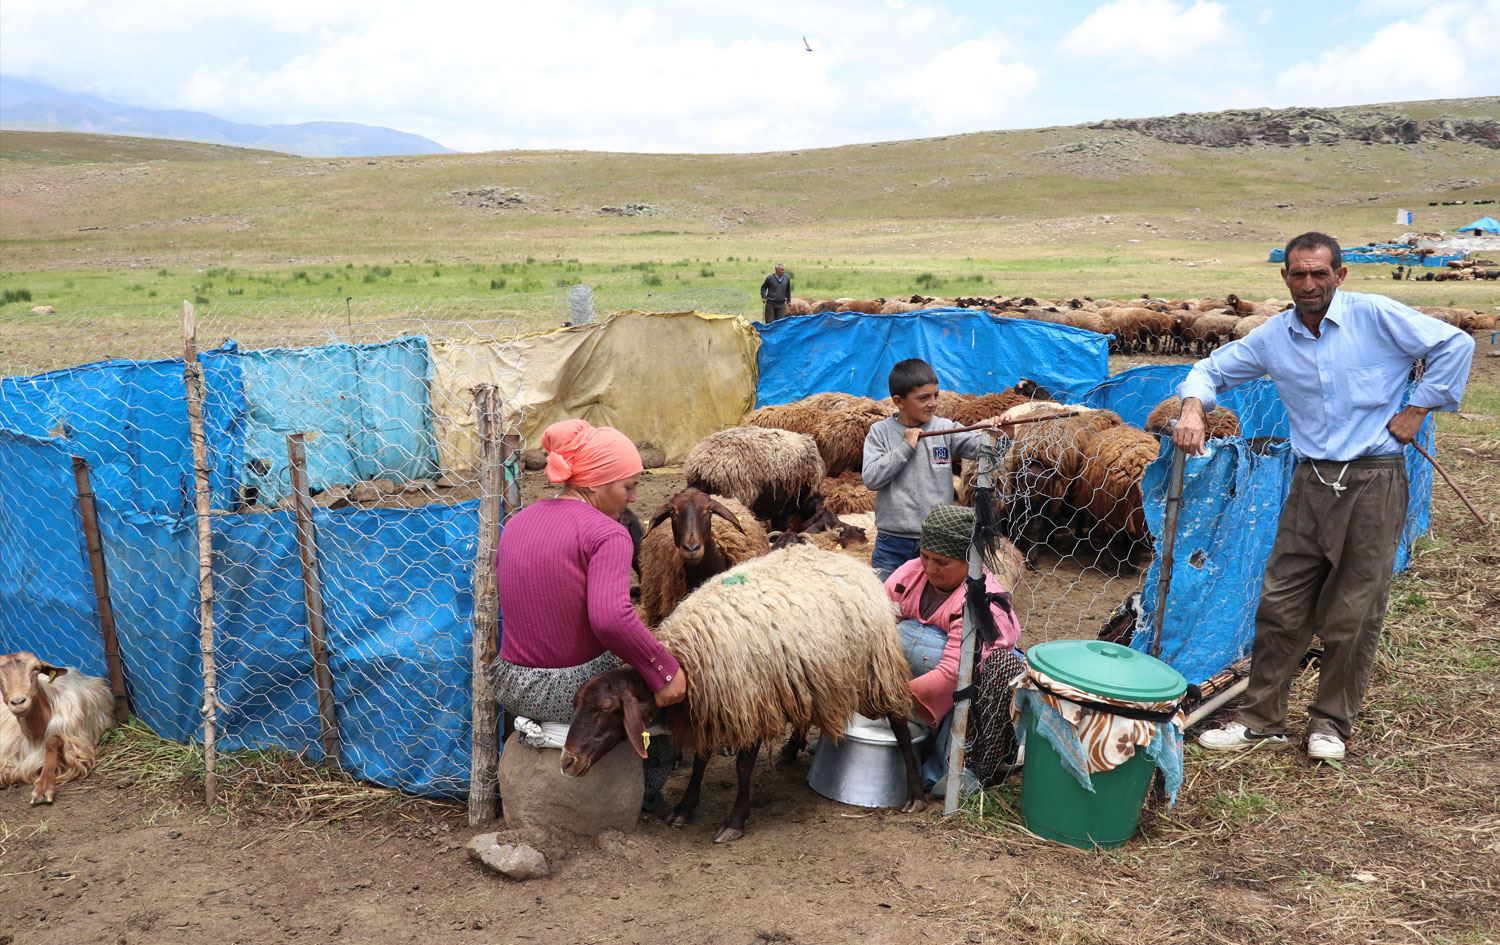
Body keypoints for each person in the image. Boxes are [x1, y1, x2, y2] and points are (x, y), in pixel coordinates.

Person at [1177, 232, 1474, 763]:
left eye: (1320, 273)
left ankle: (1330, 724)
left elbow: (1457, 344)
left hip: (1373, 478)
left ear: (1340, 274)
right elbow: (1210, 369)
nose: (1309, 283)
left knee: (1354, 609)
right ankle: (1261, 719)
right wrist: (1194, 408)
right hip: (1310, 479)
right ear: (1285, 278)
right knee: (1281, 603)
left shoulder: (1375, 315)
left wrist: (1419, 407)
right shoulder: (1273, 337)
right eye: (1299, 274)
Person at [489, 418, 687, 800]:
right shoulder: (607, 533)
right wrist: (663, 670)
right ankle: (649, 791)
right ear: (596, 482)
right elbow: (611, 617)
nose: (633, 498)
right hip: (568, 689)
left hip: (510, 682)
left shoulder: (518, 522)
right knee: (658, 690)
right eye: (628, 487)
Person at [886, 504, 1026, 796]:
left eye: (942, 561)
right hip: (913, 683)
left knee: (1001, 667)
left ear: (969, 560)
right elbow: (878, 625)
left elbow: (955, 672)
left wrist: (894, 699)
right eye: (924, 556)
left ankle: (965, 766)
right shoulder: (909, 576)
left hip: (967, 693)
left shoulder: (983, 600)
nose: (930, 568)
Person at [862, 358, 1004, 580]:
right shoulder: (880, 432)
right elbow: (871, 478)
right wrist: (906, 447)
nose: (932, 403)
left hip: (937, 540)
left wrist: (1002, 435)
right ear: (899, 401)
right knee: (888, 603)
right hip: (893, 542)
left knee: (935, 602)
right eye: (923, 398)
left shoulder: (943, 428)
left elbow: (984, 449)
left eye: (935, 395)